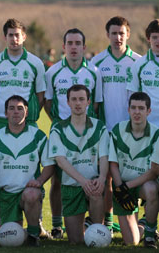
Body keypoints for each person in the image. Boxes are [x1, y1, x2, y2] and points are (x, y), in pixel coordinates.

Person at [45, 28, 103, 237]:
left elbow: (96, 104)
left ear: (84, 47)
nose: (74, 47)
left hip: (87, 132)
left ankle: (100, 223)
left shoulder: (95, 72)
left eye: (78, 43)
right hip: (62, 131)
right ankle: (56, 224)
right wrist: (61, 125)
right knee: (57, 179)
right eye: (70, 43)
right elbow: (48, 101)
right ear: (63, 47)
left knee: (93, 174)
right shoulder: (52, 72)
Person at [91, 16, 141, 234]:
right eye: (114, 33)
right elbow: (94, 101)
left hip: (132, 132)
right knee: (108, 179)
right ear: (107, 35)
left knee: (132, 177)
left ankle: (135, 222)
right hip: (107, 131)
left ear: (128, 34)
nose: (118, 37)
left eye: (122, 33)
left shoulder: (138, 62)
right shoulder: (97, 63)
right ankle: (108, 224)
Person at [0, 95, 55, 246]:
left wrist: (39, 181)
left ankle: (33, 234)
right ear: (6, 113)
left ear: (27, 112)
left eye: (20, 108)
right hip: (6, 195)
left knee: (31, 194)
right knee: (11, 237)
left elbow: (50, 165)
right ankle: (33, 230)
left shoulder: (38, 136)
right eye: (11, 108)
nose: (16, 112)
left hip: (28, 192)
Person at [48, 84, 109, 244]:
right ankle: (85, 224)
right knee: (75, 241)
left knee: (96, 192)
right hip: (71, 186)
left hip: (93, 184)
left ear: (88, 102)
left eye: (81, 99)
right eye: (73, 99)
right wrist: (83, 182)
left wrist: (102, 179)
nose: (78, 103)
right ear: (67, 102)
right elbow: (60, 161)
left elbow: (104, 157)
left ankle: (96, 228)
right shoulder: (58, 129)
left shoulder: (99, 127)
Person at [109, 92, 159, 248]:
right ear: (129, 110)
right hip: (122, 184)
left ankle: (150, 234)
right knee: (131, 241)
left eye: (141, 108)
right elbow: (113, 163)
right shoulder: (118, 129)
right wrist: (120, 188)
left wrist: (127, 186)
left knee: (152, 189)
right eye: (134, 108)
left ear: (148, 111)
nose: (137, 112)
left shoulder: (156, 133)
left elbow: (154, 171)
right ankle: (142, 225)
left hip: (143, 183)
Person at [0, 18, 46, 131]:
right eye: (11, 35)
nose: (14, 39)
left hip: (27, 124)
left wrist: (29, 113)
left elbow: (41, 95)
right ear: (5, 37)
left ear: (24, 37)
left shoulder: (36, 63)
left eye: (17, 35)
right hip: (0, 123)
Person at [127, 19, 159, 127]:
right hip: (147, 126)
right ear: (148, 38)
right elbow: (132, 96)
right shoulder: (139, 64)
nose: (158, 41)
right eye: (154, 37)